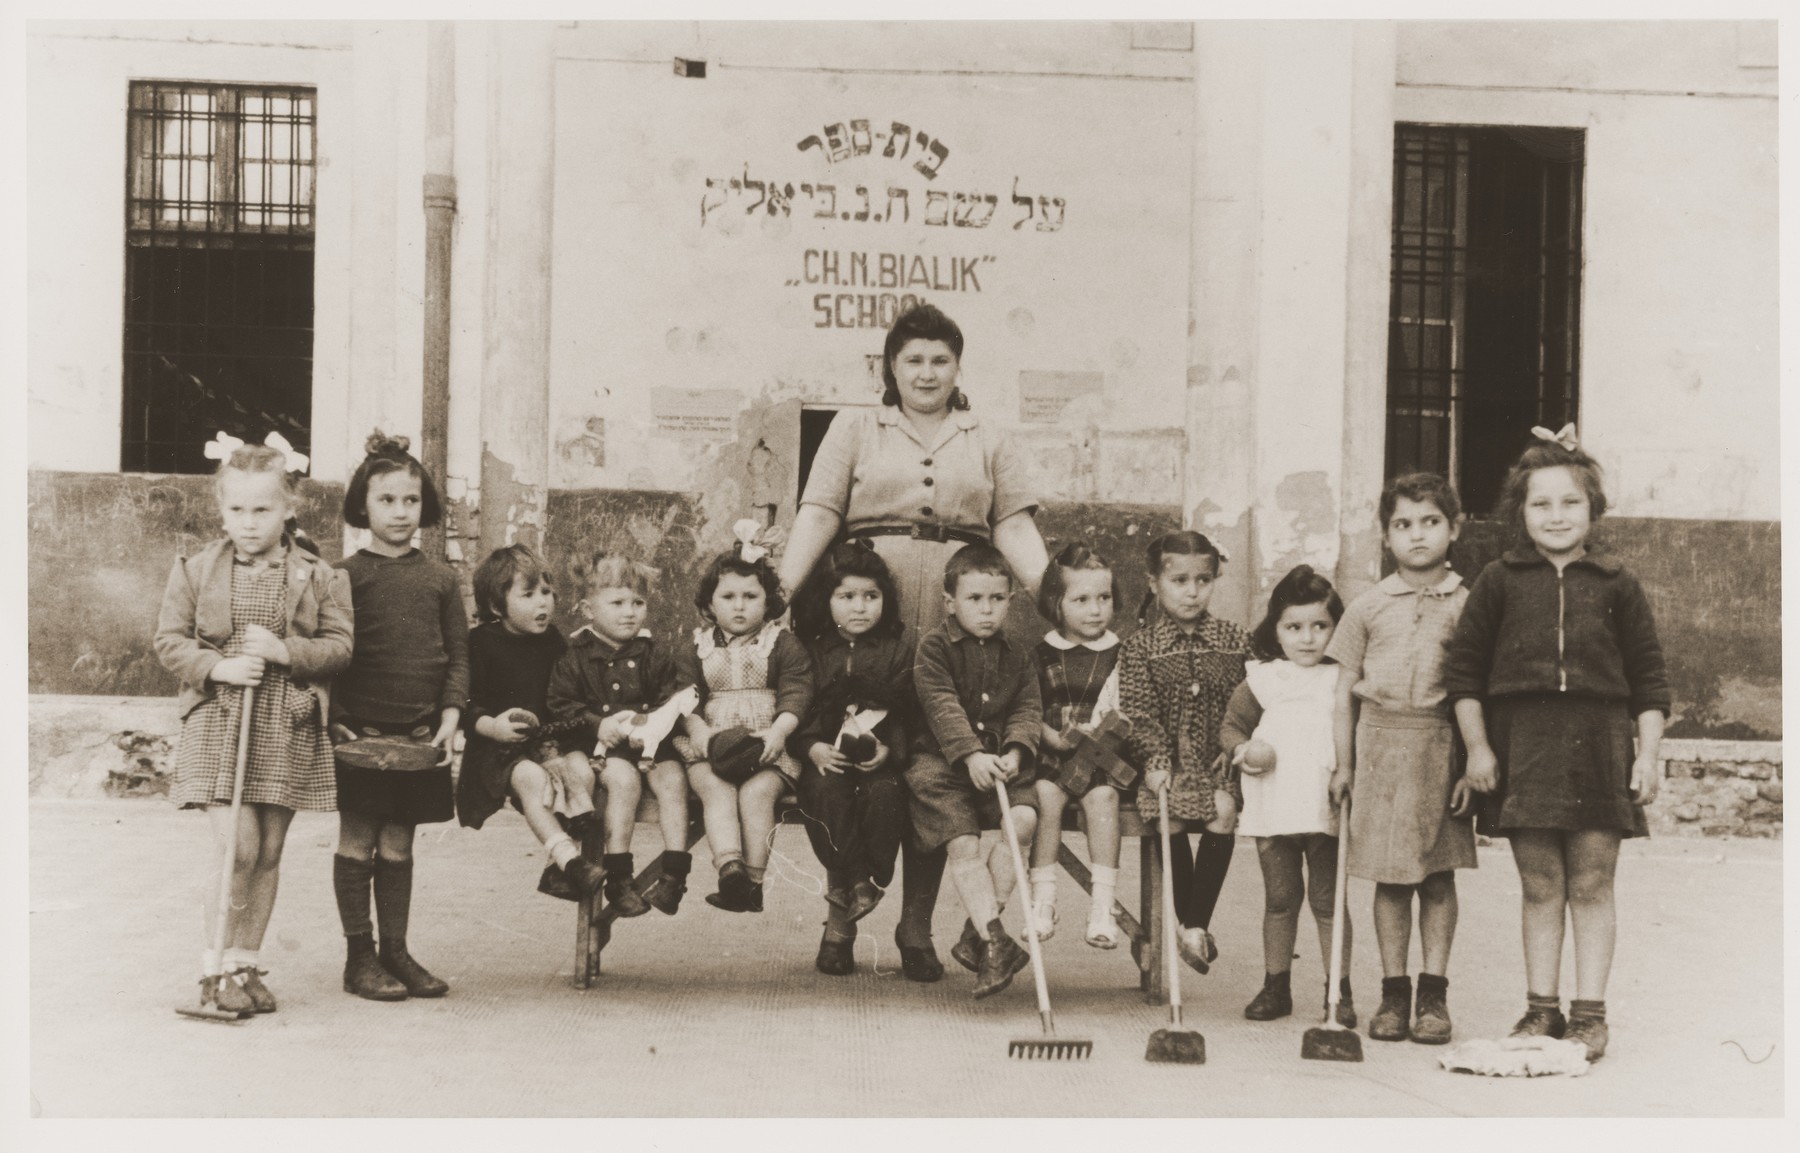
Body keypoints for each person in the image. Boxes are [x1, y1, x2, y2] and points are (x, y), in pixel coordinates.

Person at [778, 303, 1049, 983]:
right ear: (889, 367)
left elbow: (1013, 527)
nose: (926, 372)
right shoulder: (854, 426)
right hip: (870, 609)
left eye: (940, 359)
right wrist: (780, 592)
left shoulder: (988, 435)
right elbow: (819, 514)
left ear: (958, 366)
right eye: (913, 360)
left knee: (933, 770)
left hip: (957, 614)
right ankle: (840, 921)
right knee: (854, 763)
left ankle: (916, 929)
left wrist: (1059, 601)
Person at [1444, 427, 1668, 1062]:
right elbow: (1464, 676)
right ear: (1520, 512)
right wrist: (1479, 749)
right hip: (1525, 748)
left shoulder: (1618, 582)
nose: (1557, 516)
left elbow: (1650, 680)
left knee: (1593, 882)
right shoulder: (1498, 579)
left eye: (1571, 502)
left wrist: (1646, 754)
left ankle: (1589, 1015)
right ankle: (1540, 1009)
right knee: (1541, 882)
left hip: (1600, 747)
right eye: (1541, 504)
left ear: (1593, 509)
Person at [155, 434, 353, 1016]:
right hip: (220, 719)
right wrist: (217, 665)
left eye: (262, 509)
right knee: (237, 847)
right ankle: (211, 969)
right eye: (236, 509)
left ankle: (244, 962)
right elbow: (169, 640)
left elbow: (340, 647)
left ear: (290, 507)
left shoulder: (319, 575)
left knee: (268, 851)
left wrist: (287, 651)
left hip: (283, 723)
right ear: (220, 509)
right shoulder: (195, 569)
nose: (248, 522)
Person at [1327, 472, 1477, 1045]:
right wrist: (1345, 765)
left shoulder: (1470, 604)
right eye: (1403, 525)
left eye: (1431, 522)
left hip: (1440, 749)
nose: (1417, 535)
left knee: (1437, 879)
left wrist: (1470, 764)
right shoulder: (1367, 607)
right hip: (1380, 749)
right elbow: (1343, 694)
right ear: (1386, 535)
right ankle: (1394, 993)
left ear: (1454, 528)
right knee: (1390, 882)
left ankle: (1433, 994)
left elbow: (1474, 695)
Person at [330, 432, 468, 1002]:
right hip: (360, 733)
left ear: (424, 506)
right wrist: (335, 717)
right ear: (363, 504)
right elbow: (330, 650)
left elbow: (458, 653)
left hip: (419, 734)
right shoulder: (342, 574)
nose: (399, 513)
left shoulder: (440, 578)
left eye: (410, 501)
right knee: (359, 840)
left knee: (399, 846)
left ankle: (396, 951)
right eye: (386, 500)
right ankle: (358, 957)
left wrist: (452, 712)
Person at [908, 543, 1043, 999]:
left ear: (1009, 600)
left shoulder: (1018, 653)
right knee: (963, 841)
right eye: (974, 599)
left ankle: (981, 935)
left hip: (999, 762)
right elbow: (941, 705)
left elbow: (1027, 706)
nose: (987, 610)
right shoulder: (934, 648)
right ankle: (996, 940)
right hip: (943, 765)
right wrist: (969, 754)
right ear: (950, 602)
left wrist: (1017, 752)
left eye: (997, 599)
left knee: (1022, 820)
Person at [1225, 565, 1354, 1026]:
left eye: (1320, 626)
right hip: (1274, 803)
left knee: (1327, 899)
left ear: (1337, 628)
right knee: (1280, 899)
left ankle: (1338, 992)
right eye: (1294, 627)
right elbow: (1232, 726)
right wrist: (1244, 749)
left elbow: (1356, 735)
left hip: (1323, 804)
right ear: (1276, 631)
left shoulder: (1343, 679)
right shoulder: (1265, 679)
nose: (1307, 638)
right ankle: (1275, 985)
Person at [1118, 530, 1249, 976]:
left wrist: (1232, 748)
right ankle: (1190, 928)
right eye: (1179, 581)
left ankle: (1194, 926)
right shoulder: (1141, 646)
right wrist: (1155, 760)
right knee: (1167, 812)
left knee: (1223, 808)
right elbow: (1138, 711)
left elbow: (1247, 704)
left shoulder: (1234, 640)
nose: (1192, 592)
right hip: (1165, 764)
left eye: (1203, 580)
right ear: (1155, 582)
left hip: (1217, 760)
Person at [788, 540, 916, 975]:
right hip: (826, 759)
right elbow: (796, 703)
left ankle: (869, 880)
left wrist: (888, 751)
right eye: (846, 597)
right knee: (824, 795)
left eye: (871, 596)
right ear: (827, 600)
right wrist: (811, 746)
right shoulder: (811, 650)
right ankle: (857, 885)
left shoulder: (898, 651)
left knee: (885, 799)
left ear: (886, 599)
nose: (860, 607)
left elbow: (904, 711)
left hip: (874, 761)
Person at [545, 550, 695, 917]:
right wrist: (598, 723)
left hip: (649, 746)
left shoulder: (653, 654)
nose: (629, 612)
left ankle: (674, 875)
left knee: (674, 778)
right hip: (602, 750)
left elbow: (670, 698)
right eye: (617, 602)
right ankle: (619, 878)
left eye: (637, 602)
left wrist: (653, 723)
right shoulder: (575, 656)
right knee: (624, 781)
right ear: (588, 608)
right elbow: (560, 705)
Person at [455, 545, 605, 903]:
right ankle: (570, 861)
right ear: (496, 606)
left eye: (547, 592)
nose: (544, 603)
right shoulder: (481, 642)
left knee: (580, 774)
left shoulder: (552, 639)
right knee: (535, 782)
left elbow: (563, 696)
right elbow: (464, 702)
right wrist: (490, 726)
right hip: (499, 748)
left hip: (544, 742)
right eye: (529, 594)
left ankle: (560, 871)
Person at [676, 542, 814, 915]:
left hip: (767, 746)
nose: (740, 605)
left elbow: (797, 691)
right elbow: (684, 696)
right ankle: (729, 867)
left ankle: (753, 882)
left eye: (751, 596)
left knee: (757, 795)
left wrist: (779, 732)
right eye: (729, 596)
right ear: (709, 605)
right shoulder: (696, 647)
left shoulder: (782, 643)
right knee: (714, 788)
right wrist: (699, 730)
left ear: (768, 602)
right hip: (711, 742)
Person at [1025, 542, 1130, 950]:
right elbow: (1028, 706)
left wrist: (1108, 733)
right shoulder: (1042, 653)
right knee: (1044, 795)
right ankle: (1043, 902)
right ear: (1057, 603)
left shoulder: (1122, 654)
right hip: (1054, 754)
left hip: (1102, 757)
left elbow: (1130, 707)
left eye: (1104, 598)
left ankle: (1102, 906)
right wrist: (1048, 735)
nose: (1095, 609)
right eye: (1082, 599)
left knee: (1103, 798)